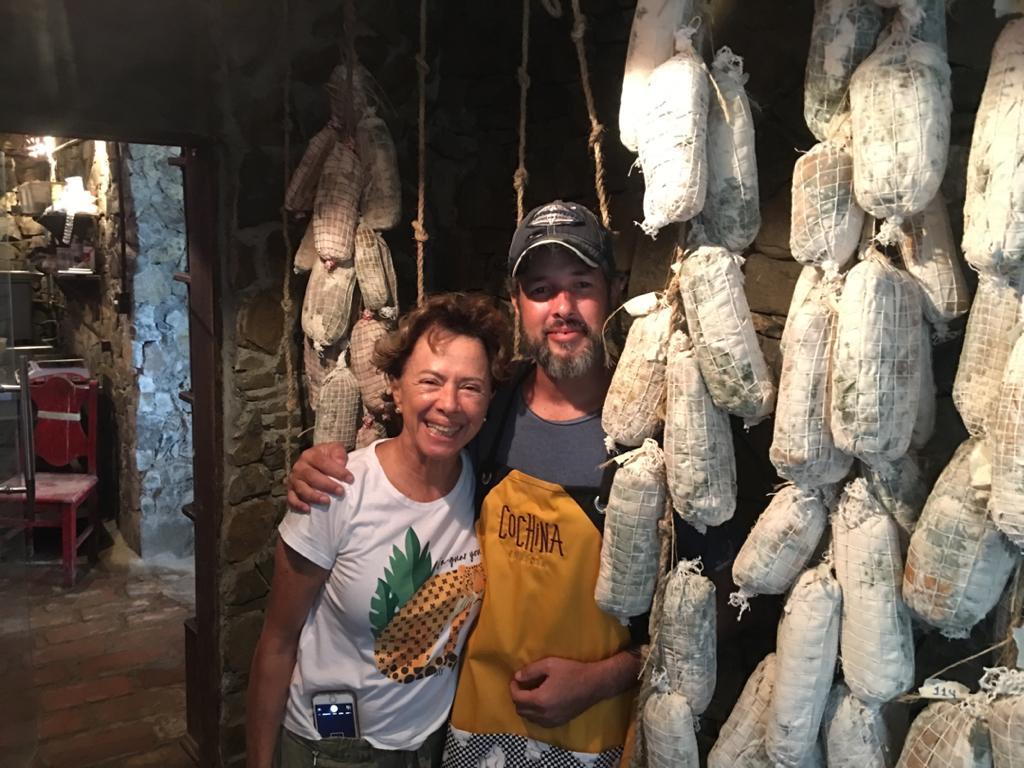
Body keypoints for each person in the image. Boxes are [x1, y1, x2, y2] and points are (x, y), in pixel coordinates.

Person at [287, 201, 644, 768]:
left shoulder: (649, 432)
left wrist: (604, 678)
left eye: (582, 285)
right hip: (472, 729)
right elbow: (408, 463)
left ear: (614, 290)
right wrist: (321, 465)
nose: (562, 308)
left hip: (595, 734)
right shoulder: (487, 416)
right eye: (541, 290)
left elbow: (707, 604)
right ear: (518, 302)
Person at [247, 293, 512, 768]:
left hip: (431, 743)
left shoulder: (485, 484)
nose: (449, 404)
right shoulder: (337, 491)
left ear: (490, 399)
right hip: (333, 750)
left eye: (471, 387)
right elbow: (278, 641)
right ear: (396, 387)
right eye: (430, 381)